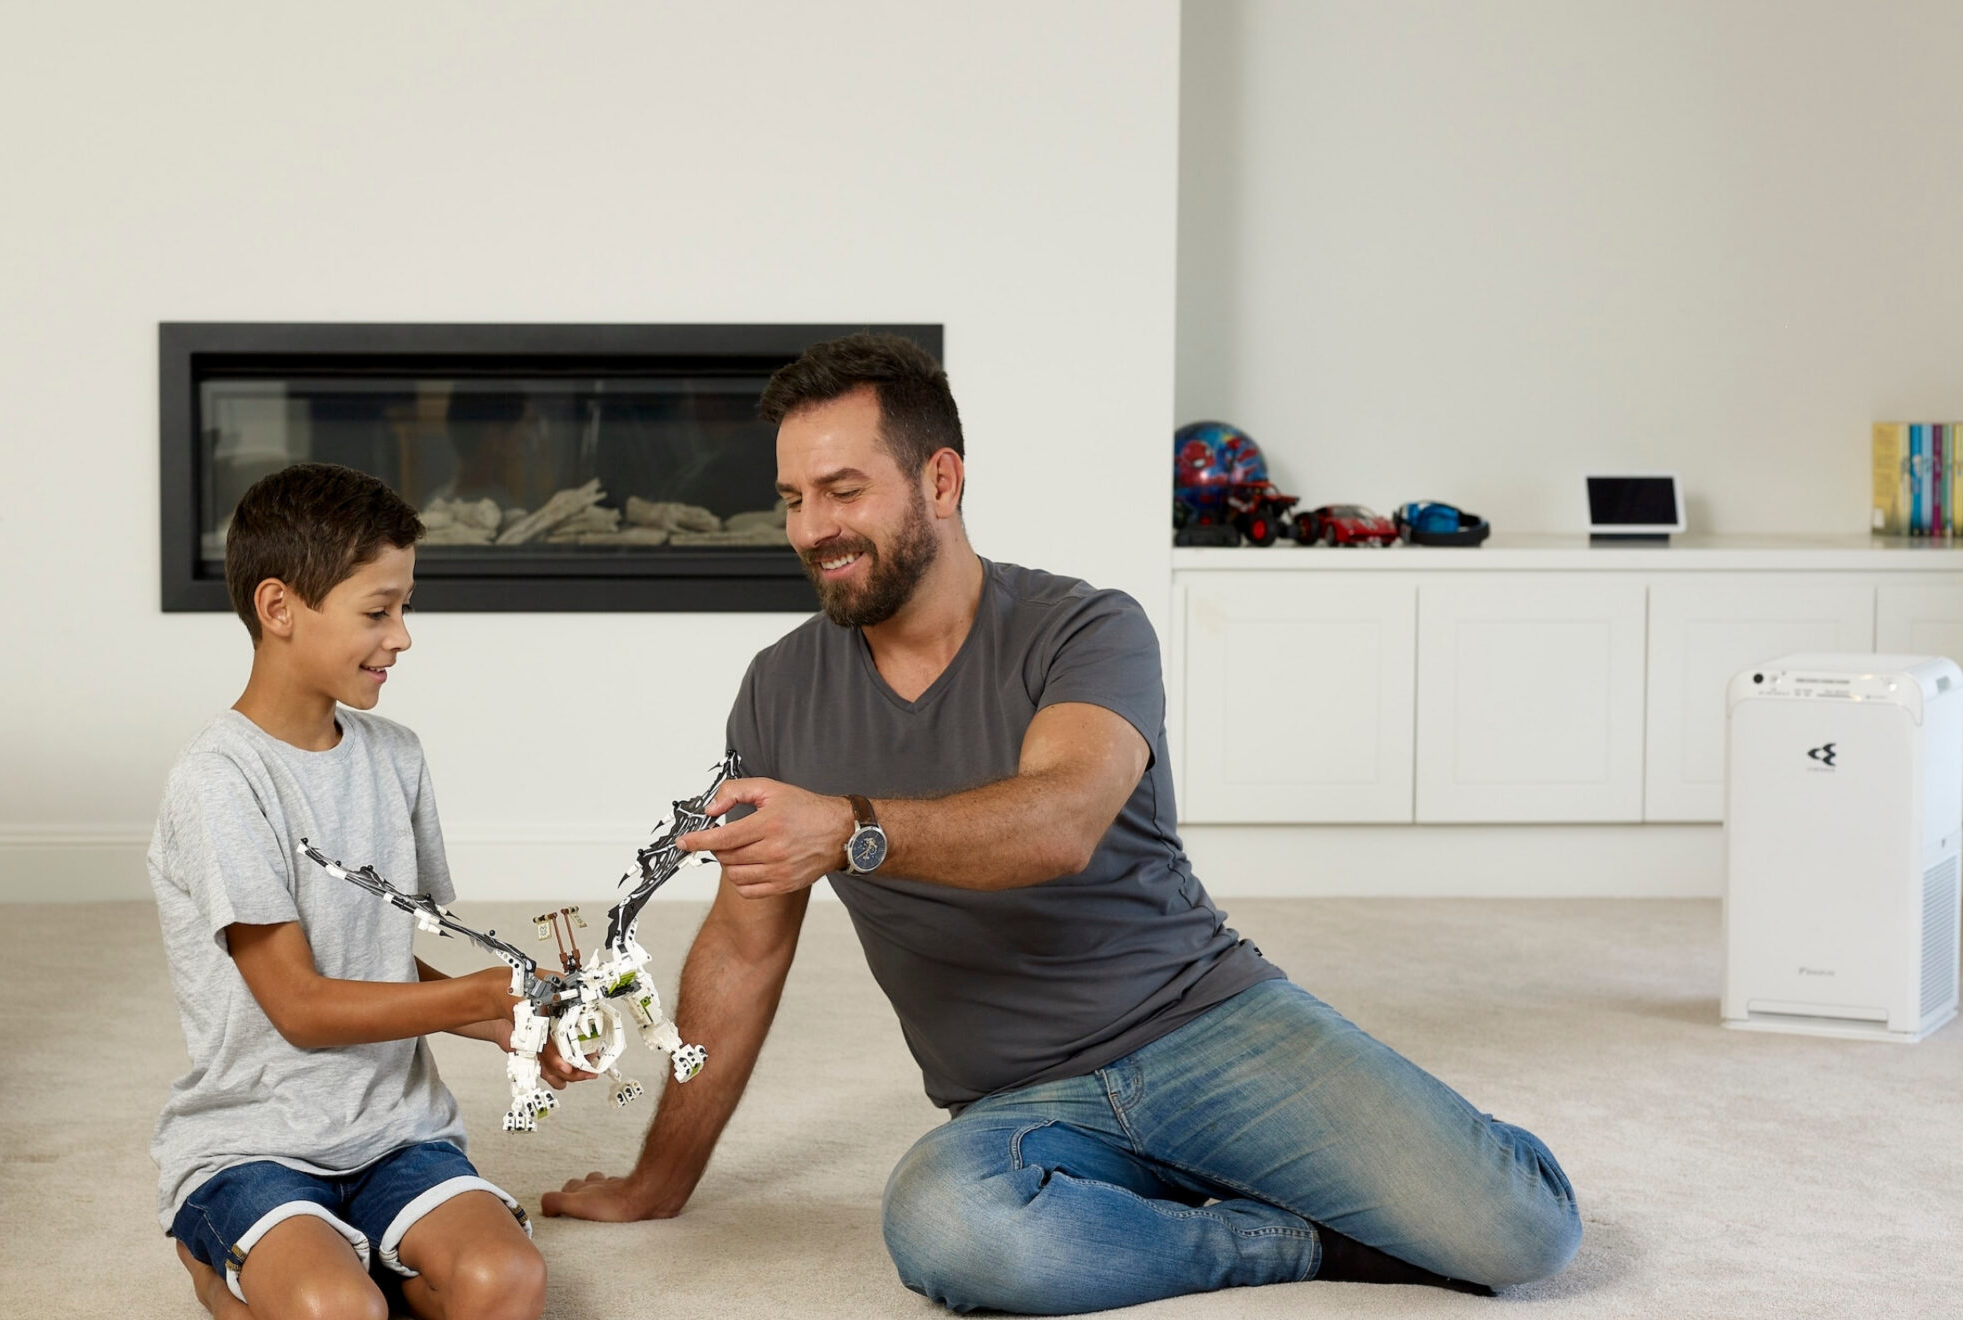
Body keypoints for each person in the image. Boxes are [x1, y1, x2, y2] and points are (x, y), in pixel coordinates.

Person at [540, 334, 1581, 1312]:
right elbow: (740, 946)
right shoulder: (778, 689)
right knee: (949, 1230)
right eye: (793, 500)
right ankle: (1283, 1241)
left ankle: (1379, 1150)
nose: (813, 530)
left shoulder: (1085, 626)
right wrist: (656, 1181)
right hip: (1021, 1105)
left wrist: (853, 827)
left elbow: (1063, 820)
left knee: (1521, 1233)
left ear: (940, 482)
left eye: (843, 491)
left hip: (1205, 1028)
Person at [150, 464, 580, 1320]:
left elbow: (374, 959)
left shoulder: (396, 756)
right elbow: (302, 1005)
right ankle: (216, 1260)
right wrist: (478, 990)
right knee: (336, 1309)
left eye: (404, 608)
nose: (402, 637)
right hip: (255, 1142)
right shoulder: (221, 783)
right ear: (279, 610)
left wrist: (506, 1025)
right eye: (377, 611)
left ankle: (350, 1260)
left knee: (511, 1282)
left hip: (397, 1133)